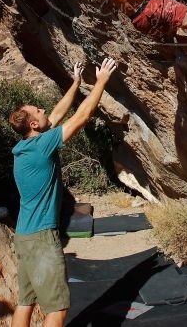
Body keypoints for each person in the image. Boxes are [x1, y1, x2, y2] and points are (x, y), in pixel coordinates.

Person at [8, 58, 117, 327]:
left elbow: (56, 114)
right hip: (42, 239)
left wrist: (76, 82)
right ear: (33, 125)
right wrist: (101, 81)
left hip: (24, 236)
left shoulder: (27, 146)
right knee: (57, 309)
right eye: (37, 109)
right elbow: (81, 117)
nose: (43, 109)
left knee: (26, 302)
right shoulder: (42, 146)